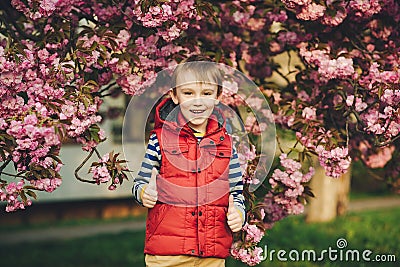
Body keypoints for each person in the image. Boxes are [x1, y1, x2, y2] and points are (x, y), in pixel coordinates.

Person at [132, 56, 245, 267]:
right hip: (168, 255)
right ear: (175, 96)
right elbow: (140, 183)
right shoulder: (161, 139)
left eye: (207, 93)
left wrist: (239, 213)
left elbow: (237, 193)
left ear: (218, 96)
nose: (198, 101)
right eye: (188, 93)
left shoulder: (228, 145)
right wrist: (143, 193)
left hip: (211, 256)